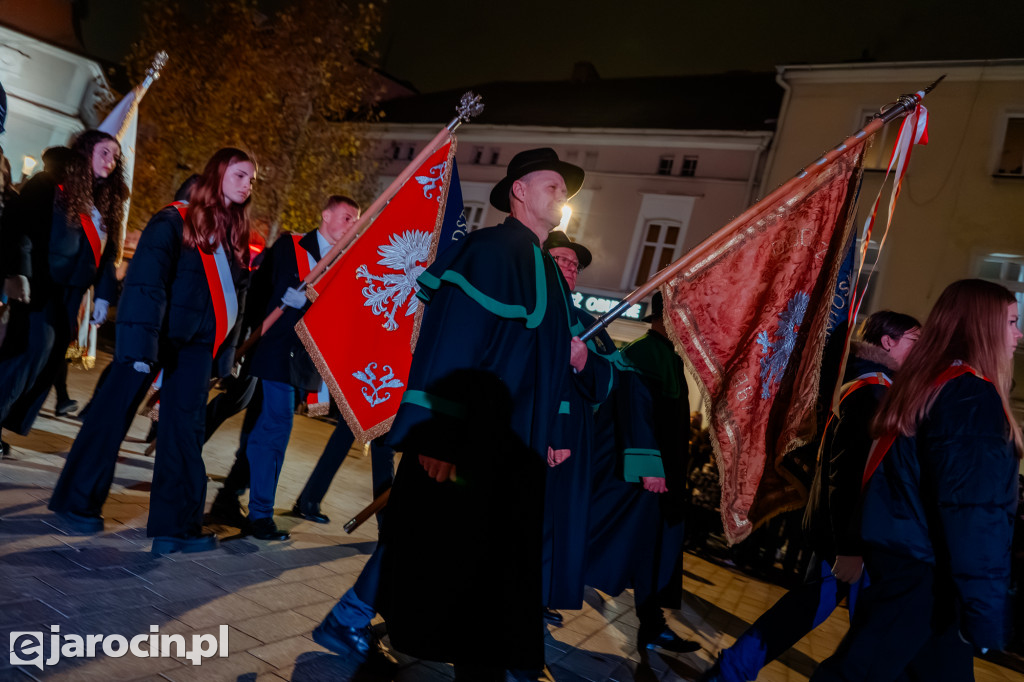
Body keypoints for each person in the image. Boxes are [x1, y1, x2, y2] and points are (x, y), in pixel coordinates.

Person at [312, 148, 585, 681]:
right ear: (520, 193)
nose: (561, 195)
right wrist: (436, 437)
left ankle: (488, 653)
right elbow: (448, 349)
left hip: (515, 446)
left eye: (564, 190)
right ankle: (352, 619)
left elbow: (548, 366)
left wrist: (551, 430)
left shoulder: (549, 274)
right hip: (466, 440)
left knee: (468, 546)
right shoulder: (487, 251)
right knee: (430, 536)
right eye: (551, 185)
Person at [811, 279, 1023, 681]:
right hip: (923, 571)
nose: (1019, 333)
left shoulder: (937, 382)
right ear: (981, 326)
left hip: (914, 564)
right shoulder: (969, 396)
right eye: (1012, 321)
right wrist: (984, 606)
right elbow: (972, 510)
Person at [49, 149, 255, 556]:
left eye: (252, 178)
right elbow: (147, 284)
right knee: (112, 416)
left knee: (185, 431)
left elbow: (237, 302)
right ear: (217, 175)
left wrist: (224, 356)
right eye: (241, 174)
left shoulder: (234, 234)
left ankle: (175, 527)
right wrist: (140, 347)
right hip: (153, 336)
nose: (248, 183)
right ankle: (77, 501)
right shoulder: (172, 220)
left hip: (197, 347)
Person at [702, 310, 921, 682]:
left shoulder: (861, 383)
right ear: (889, 341)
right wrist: (850, 545)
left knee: (809, 608)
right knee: (871, 628)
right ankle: (734, 668)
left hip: (844, 529)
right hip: (852, 534)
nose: (922, 350)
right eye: (916, 342)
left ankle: (734, 668)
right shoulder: (872, 392)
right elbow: (848, 475)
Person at [586, 290, 701, 654]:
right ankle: (535, 596)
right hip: (633, 479)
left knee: (654, 552)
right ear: (665, 318)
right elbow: (636, 412)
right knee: (595, 541)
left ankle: (653, 626)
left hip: (657, 481)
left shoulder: (666, 355)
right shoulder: (644, 353)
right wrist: (650, 467)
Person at [240, 195, 360, 541]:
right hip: (274, 351)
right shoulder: (290, 246)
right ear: (325, 214)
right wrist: (253, 329)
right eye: (347, 217)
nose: (352, 224)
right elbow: (257, 288)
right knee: (276, 426)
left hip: (304, 360)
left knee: (264, 431)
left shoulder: (344, 261)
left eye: (356, 219)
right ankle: (260, 514)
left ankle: (235, 497)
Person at [0, 133, 126, 453]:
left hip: (72, 297)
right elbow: (21, 230)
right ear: (85, 154)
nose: (110, 160)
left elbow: (107, 256)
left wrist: (103, 296)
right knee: (31, 351)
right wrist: (20, 273)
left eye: (115, 155)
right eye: (104, 152)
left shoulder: (104, 202)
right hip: (40, 287)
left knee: (45, 360)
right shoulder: (49, 185)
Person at [540, 230, 619, 622]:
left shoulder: (587, 321)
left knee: (560, 522)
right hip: (542, 432)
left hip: (577, 439)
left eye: (574, 264)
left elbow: (610, 379)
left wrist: (585, 360)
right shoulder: (533, 307)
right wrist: (554, 432)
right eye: (562, 260)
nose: (571, 268)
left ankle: (541, 594)